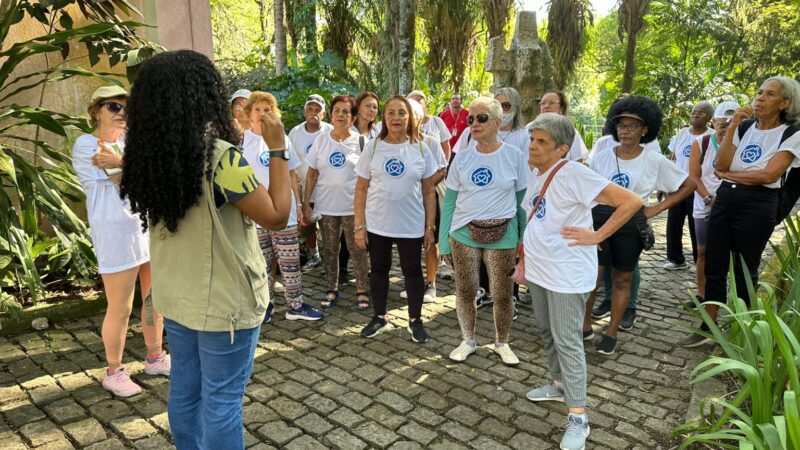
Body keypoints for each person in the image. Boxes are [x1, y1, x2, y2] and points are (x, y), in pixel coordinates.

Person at [119, 50, 292, 449]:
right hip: (225, 307)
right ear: (203, 97)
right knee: (223, 403)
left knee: (185, 389)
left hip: (178, 301)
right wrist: (278, 147)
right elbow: (277, 216)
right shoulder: (219, 158)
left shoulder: (147, 157)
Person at [520, 113, 642, 450]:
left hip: (566, 274)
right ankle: (558, 384)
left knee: (568, 340)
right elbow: (536, 220)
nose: (533, 146)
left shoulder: (573, 172)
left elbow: (631, 201)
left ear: (561, 148)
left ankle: (578, 418)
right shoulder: (537, 171)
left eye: (541, 141)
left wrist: (597, 235)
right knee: (547, 331)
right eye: (532, 139)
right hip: (541, 270)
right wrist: (523, 262)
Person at [72, 86, 170, 397]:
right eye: (114, 106)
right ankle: (113, 371)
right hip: (115, 235)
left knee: (156, 299)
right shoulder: (86, 144)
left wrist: (122, 162)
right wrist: (131, 166)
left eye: (126, 107)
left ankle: (155, 356)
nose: (122, 113)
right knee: (121, 306)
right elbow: (129, 176)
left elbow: (150, 174)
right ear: (96, 111)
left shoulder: (129, 142)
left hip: (144, 229)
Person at [584, 96, 695, 354]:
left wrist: (655, 209)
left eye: (633, 126)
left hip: (631, 224)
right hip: (599, 219)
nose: (625, 130)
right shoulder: (601, 157)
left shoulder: (654, 160)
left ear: (645, 130)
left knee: (622, 278)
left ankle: (611, 332)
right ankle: (585, 325)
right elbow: (587, 190)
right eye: (621, 125)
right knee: (592, 277)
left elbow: (688, 184)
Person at [699, 77, 800, 341]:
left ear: (785, 102)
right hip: (727, 199)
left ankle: (740, 330)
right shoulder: (744, 128)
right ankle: (708, 326)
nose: (760, 98)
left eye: (770, 94)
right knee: (715, 265)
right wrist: (732, 126)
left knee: (745, 268)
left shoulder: (791, 133)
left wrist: (729, 175)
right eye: (759, 91)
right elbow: (720, 164)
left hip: (759, 204)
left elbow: (768, 175)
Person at [440, 96, 530, 365]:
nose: (474, 123)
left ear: (497, 121)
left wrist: (521, 240)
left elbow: (521, 204)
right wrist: (444, 243)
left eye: (481, 118)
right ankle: (467, 339)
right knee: (466, 291)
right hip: (463, 234)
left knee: (502, 293)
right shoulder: (462, 158)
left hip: (503, 235)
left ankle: (502, 342)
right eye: (471, 119)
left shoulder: (514, 156)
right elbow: (449, 203)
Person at [354, 96, 437, 343]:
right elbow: (360, 188)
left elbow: (429, 190)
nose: (396, 118)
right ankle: (379, 316)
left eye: (402, 113)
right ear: (384, 118)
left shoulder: (421, 147)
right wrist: (359, 225)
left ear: (410, 118)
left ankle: (415, 320)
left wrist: (430, 227)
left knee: (412, 271)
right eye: (390, 112)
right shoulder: (374, 147)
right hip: (378, 222)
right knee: (379, 269)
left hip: (410, 223)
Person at [242, 91, 324, 322]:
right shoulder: (242, 140)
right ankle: (265, 304)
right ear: (249, 114)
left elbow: (292, 173)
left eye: (267, 110)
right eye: (257, 110)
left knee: (289, 261)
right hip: (256, 212)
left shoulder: (281, 137)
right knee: (262, 263)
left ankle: (295, 305)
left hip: (283, 211)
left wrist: (298, 204)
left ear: (274, 113)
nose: (262, 114)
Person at [679, 101, 739, 346]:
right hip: (703, 205)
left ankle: (733, 310)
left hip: (730, 207)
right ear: (713, 122)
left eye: (730, 123)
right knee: (703, 252)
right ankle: (704, 296)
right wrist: (706, 197)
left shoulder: (740, 142)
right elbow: (694, 176)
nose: (724, 127)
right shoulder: (702, 142)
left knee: (731, 258)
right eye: (721, 123)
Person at [303, 96, 370, 309]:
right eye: (337, 111)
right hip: (326, 206)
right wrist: (306, 203)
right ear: (331, 115)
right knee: (330, 249)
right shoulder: (321, 141)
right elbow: (312, 174)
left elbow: (370, 177)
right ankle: (332, 288)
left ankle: (362, 289)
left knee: (357, 249)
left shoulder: (361, 142)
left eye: (346, 112)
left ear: (353, 118)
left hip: (353, 207)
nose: (340, 115)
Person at [399, 99, 448, 302]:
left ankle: (431, 283)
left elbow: (442, 168)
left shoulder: (430, 142)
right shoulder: (397, 144)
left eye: (413, 115)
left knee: (430, 240)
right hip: (406, 201)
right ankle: (412, 281)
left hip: (429, 198)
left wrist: (423, 186)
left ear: (420, 119)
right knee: (407, 242)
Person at [664, 101, 713, 270]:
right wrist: (667, 183)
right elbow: (672, 158)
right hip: (678, 185)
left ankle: (697, 260)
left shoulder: (711, 137)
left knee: (696, 223)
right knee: (673, 223)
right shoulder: (682, 134)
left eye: (701, 113)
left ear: (709, 117)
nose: (695, 115)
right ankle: (676, 259)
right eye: (693, 112)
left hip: (698, 187)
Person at [289, 94, 334, 272]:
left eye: (317, 110)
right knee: (306, 224)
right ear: (304, 111)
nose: (313, 113)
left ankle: (331, 260)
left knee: (329, 226)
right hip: (303, 189)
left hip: (325, 189)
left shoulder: (329, 131)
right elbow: (291, 161)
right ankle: (314, 254)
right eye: (310, 109)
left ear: (323, 114)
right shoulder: (295, 132)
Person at [537, 91, 590, 162]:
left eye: (551, 103)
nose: (546, 106)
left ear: (561, 108)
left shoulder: (570, 132)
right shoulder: (529, 129)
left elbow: (578, 160)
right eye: (543, 103)